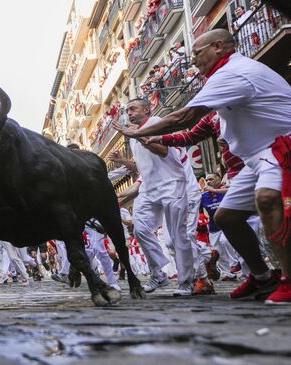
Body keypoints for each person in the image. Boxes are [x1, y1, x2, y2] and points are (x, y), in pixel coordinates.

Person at [113, 29, 291, 304]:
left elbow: (186, 116)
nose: (193, 60)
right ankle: (262, 278)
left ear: (218, 47)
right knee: (226, 218)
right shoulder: (221, 83)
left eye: (196, 53)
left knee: (267, 201)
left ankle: (288, 282)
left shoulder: (232, 73)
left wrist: (138, 134)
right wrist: (153, 136)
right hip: (254, 160)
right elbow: (193, 133)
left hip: (280, 148)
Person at [112, 98, 197, 296]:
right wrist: (123, 161)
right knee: (140, 229)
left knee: (177, 235)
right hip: (148, 188)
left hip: (171, 183)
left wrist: (138, 135)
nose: (129, 113)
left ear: (147, 109)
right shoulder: (133, 136)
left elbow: (164, 152)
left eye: (133, 109)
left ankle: (186, 282)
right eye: (127, 110)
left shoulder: (158, 124)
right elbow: (141, 167)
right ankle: (159, 273)